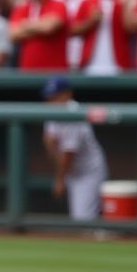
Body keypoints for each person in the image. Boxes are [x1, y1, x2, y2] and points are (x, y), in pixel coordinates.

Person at [42, 77, 107, 220]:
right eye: (49, 98)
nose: (51, 101)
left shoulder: (74, 113)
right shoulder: (52, 112)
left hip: (88, 172)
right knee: (78, 218)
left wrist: (59, 180)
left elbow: (68, 152)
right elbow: (50, 143)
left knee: (82, 219)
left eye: (56, 97)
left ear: (67, 94)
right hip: (71, 172)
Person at [9, 0, 69, 70]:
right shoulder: (23, 7)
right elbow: (13, 34)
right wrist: (40, 25)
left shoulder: (58, 4)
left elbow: (49, 27)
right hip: (27, 71)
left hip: (54, 71)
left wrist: (25, 24)